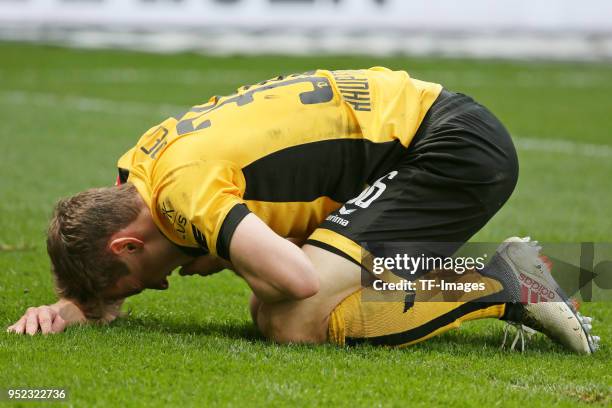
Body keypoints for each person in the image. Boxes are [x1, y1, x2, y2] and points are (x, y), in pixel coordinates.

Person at [6, 67, 598, 353]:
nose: (157, 289)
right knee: (269, 310)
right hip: (420, 130)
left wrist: (224, 247)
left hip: (448, 149)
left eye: (136, 285)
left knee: (292, 319)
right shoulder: (138, 169)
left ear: (127, 246)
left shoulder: (184, 196)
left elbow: (296, 278)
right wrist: (76, 305)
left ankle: (506, 281)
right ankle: (560, 268)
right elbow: (114, 243)